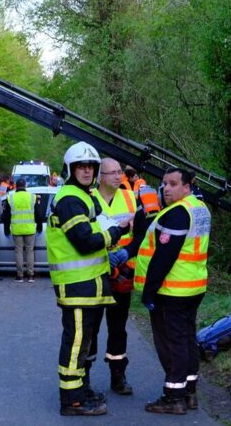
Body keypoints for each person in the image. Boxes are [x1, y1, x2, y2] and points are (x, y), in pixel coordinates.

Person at [47, 142, 131, 416]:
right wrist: (116, 233)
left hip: (87, 285)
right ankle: (71, 400)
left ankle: (80, 390)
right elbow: (85, 242)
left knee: (82, 343)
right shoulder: (71, 199)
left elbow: (94, 228)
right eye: (81, 166)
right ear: (71, 169)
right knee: (76, 343)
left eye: (90, 166)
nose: (86, 171)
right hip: (77, 286)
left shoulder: (83, 196)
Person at [133, 167, 211, 415]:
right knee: (187, 339)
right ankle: (189, 393)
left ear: (187, 187)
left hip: (172, 290)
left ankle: (173, 397)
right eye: (165, 183)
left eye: (174, 184)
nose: (166, 188)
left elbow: (163, 257)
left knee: (171, 342)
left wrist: (149, 291)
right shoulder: (199, 209)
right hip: (193, 286)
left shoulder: (177, 214)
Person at [91, 158, 137, 396]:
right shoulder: (88, 199)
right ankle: (84, 376)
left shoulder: (130, 197)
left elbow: (141, 234)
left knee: (118, 328)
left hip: (123, 273)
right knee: (90, 327)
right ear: (101, 176)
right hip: (96, 272)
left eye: (120, 172)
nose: (119, 176)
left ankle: (118, 375)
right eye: (112, 173)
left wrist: (126, 253)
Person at [3, 178, 38, 282]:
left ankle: (20, 276)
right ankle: (31, 275)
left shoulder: (11, 197)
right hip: (30, 229)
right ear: (25, 186)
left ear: (16, 186)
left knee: (19, 252)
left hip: (16, 229)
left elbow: (6, 216)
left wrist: (6, 229)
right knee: (29, 252)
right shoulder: (32, 197)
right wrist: (39, 226)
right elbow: (38, 214)